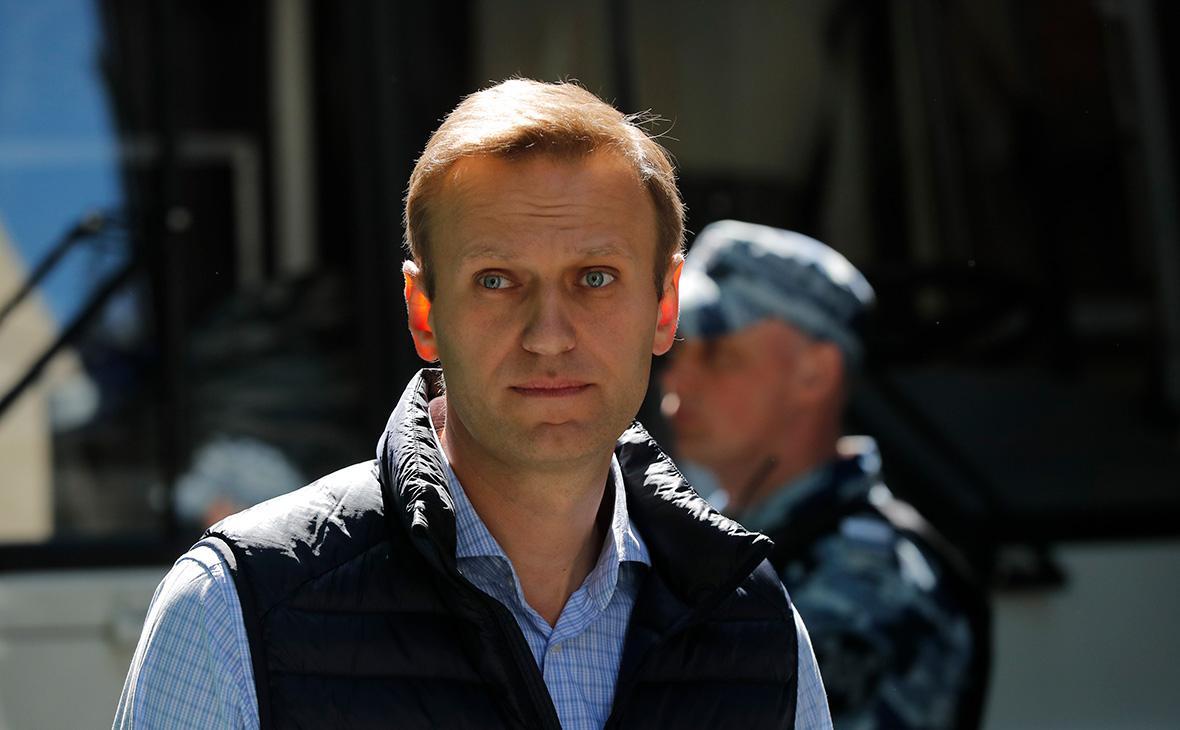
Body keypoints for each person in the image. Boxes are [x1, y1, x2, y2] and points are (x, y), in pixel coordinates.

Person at [114, 81, 832, 729]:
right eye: (496, 281)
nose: (548, 336)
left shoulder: (757, 631)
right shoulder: (233, 614)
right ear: (423, 313)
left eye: (595, 278)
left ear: (664, 306)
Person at [660, 220, 991, 729]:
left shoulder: (869, 586)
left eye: (720, 354)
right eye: (682, 347)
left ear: (814, 374)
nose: (678, 378)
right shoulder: (719, 540)